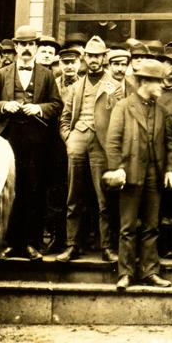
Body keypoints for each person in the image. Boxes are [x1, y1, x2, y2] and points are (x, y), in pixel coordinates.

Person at [0, 24, 63, 260]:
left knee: (35, 189)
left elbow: (57, 105)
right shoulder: (3, 73)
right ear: (16, 46)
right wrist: (4, 106)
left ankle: (32, 244)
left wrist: (39, 108)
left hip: (37, 139)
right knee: (10, 190)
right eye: (23, 44)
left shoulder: (47, 74)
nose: (27, 49)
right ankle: (9, 243)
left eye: (31, 44)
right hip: (10, 137)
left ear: (36, 47)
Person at [105, 58, 172, 291]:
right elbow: (113, 142)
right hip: (130, 175)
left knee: (151, 226)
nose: (162, 87)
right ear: (145, 82)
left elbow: (169, 144)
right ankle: (125, 273)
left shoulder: (162, 111)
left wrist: (169, 170)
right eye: (158, 82)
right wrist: (117, 169)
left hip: (154, 176)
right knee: (127, 227)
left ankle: (150, 272)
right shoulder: (123, 107)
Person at [57, 36, 121, 263]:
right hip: (77, 141)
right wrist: (69, 138)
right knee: (74, 196)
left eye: (98, 56)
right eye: (90, 56)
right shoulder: (75, 87)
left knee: (104, 198)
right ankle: (72, 245)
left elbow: (120, 119)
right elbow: (64, 119)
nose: (94, 60)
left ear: (105, 57)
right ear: (85, 57)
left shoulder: (115, 86)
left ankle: (107, 247)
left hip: (101, 145)